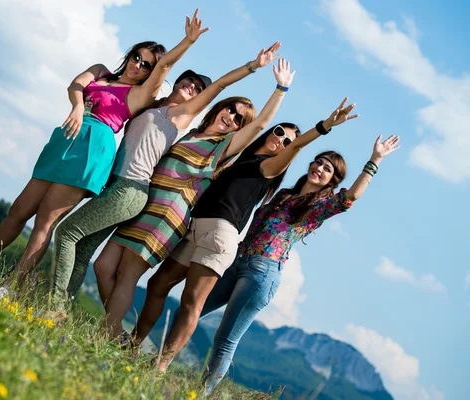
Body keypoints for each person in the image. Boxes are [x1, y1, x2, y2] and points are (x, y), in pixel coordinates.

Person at [133, 98, 360, 371]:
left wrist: (325, 126)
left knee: (193, 302)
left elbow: (303, 148)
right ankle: (134, 345)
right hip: (196, 228)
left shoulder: (270, 166)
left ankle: (160, 366)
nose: (282, 142)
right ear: (270, 131)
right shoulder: (239, 153)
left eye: (288, 143)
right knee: (158, 283)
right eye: (280, 133)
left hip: (220, 235)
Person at [95, 53, 295, 339]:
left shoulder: (223, 146)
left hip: (168, 216)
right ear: (220, 109)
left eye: (239, 119)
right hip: (143, 205)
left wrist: (280, 89)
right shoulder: (193, 133)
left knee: (127, 275)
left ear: (240, 129)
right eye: (231, 110)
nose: (232, 117)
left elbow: (261, 123)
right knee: (104, 266)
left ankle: (106, 337)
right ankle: (117, 333)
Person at [198, 134, 400, 395]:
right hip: (237, 260)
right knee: (193, 309)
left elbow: (351, 197)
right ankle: (158, 362)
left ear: (332, 180)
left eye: (328, 169)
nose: (320, 168)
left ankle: (199, 393)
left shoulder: (320, 206)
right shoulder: (284, 194)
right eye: (319, 162)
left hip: (261, 273)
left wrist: (375, 160)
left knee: (225, 340)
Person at [47, 10, 210, 315]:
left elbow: (163, 64)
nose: (191, 87)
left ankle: (52, 306)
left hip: (130, 190)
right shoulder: (153, 104)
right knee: (82, 249)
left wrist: (187, 42)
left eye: (198, 90)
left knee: (66, 233)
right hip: (120, 186)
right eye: (189, 81)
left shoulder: (180, 116)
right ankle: (60, 310)